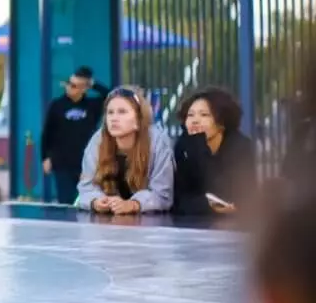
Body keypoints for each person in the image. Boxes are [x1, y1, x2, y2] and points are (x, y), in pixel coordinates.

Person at [76, 85, 174, 215]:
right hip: (107, 224)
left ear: (138, 120)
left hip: (150, 225)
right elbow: (86, 188)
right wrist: (96, 201)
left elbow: (163, 194)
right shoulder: (98, 140)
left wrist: (133, 204)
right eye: (110, 112)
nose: (114, 118)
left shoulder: (158, 142)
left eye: (122, 112)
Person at [172, 87, 255, 216]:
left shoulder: (240, 146)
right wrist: (206, 205)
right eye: (190, 115)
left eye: (204, 115)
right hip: (192, 226)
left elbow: (228, 195)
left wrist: (201, 148)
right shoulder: (184, 145)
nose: (195, 120)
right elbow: (179, 201)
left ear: (221, 122)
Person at [41, 65, 107, 205]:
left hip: (85, 162)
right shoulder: (57, 105)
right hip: (61, 162)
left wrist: (92, 84)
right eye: (69, 84)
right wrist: (45, 157)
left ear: (84, 88)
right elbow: (47, 133)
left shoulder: (92, 106)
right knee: (65, 201)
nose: (70, 88)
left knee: (86, 199)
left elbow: (110, 96)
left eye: (75, 85)